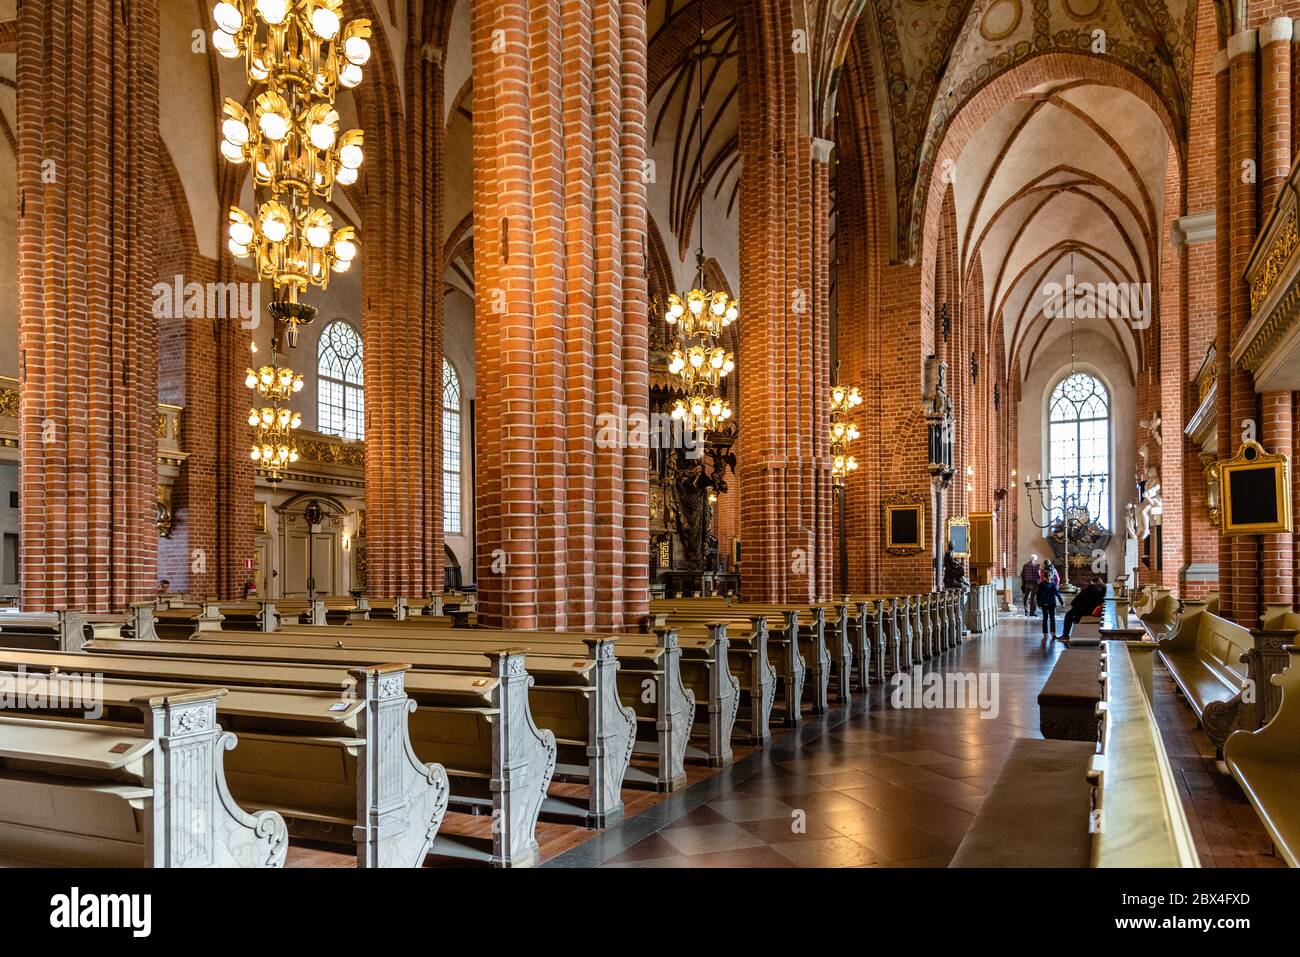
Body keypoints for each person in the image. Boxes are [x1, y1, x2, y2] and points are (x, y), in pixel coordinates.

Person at [1061, 575, 1107, 639]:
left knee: (1068, 615)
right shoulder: (1103, 589)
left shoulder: (1090, 589)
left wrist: (1074, 606)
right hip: (1092, 609)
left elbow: (1078, 598)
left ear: (1092, 582)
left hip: (1086, 610)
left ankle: (1065, 635)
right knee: (1073, 616)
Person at [1036, 564, 1062, 641]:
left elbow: (1038, 595)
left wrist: (1038, 603)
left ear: (1043, 577)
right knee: (1052, 618)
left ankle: (1045, 634)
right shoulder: (1053, 584)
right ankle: (1053, 633)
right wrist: (1061, 602)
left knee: (1045, 618)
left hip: (1044, 603)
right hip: (1052, 603)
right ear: (1051, 576)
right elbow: (1058, 594)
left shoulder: (1041, 585)